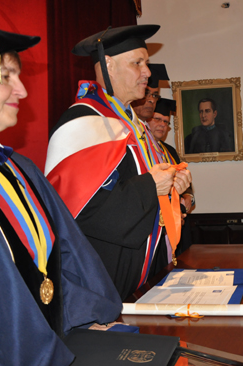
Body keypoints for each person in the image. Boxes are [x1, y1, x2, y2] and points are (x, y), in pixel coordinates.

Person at [0, 29, 121, 366]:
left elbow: (62, 259)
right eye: (7, 76)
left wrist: (91, 315)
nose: (22, 90)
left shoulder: (18, 169)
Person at [45, 25, 192, 300]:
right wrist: (152, 185)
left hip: (145, 283)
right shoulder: (83, 123)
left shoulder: (135, 125)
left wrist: (173, 182)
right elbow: (82, 212)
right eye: (138, 63)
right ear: (108, 65)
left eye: (146, 63)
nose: (147, 72)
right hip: (101, 288)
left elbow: (148, 184)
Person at [149, 98, 195, 254]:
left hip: (176, 219)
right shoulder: (140, 150)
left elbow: (187, 187)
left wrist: (189, 197)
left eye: (167, 122)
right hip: (154, 222)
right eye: (158, 119)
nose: (163, 125)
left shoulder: (169, 151)